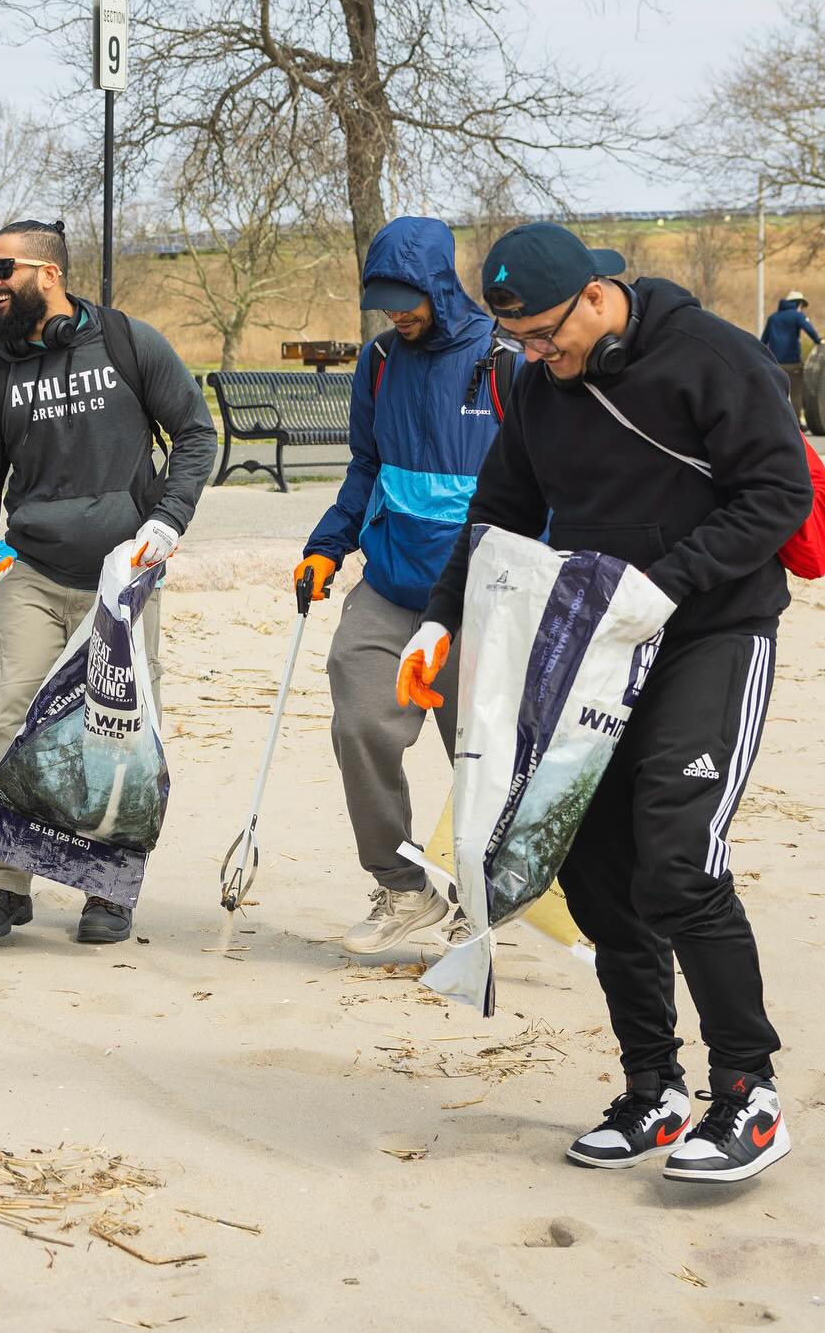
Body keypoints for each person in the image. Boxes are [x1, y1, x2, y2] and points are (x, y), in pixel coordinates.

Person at [405, 221, 811, 1184]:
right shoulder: (538, 386)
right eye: (519, 343)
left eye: (545, 335)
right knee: (591, 869)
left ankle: (748, 1095)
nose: (536, 357)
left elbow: (778, 492)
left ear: (595, 295)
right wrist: (438, 619)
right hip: (595, 647)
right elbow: (499, 511)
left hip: (711, 632)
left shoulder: (712, 357)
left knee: (678, 858)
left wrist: (668, 584)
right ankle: (653, 1090)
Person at [0, 218, 217, 944]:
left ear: (50, 274)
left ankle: (107, 889)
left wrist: (167, 521)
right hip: (31, 573)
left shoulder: (130, 343)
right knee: (8, 717)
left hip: (122, 581)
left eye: (3, 270)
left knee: (116, 731)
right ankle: (3, 885)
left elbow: (196, 434)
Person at [295, 217, 512, 954]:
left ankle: (484, 905)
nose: (395, 312)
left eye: (406, 298)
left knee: (481, 761)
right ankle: (401, 885)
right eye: (383, 299)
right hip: (390, 586)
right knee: (359, 721)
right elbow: (366, 467)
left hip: (484, 600)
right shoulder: (381, 359)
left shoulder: (502, 360)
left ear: (440, 284)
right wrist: (328, 547)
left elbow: (548, 485)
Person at [760, 290, 819, 428]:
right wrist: (819, 340)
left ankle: (776, 423)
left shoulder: (773, 318)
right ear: (798, 303)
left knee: (777, 393)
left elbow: (763, 341)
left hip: (774, 363)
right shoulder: (797, 316)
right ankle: (795, 423)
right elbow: (809, 330)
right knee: (796, 393)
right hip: (793, 363)